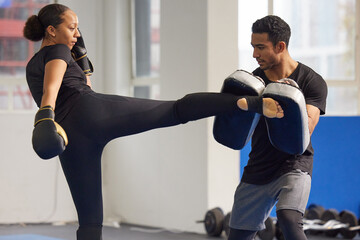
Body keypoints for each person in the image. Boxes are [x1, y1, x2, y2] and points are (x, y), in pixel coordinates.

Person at [23, 4, 284, 240]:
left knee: (90, 220)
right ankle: (251, 103)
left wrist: (81, 68)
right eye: (72, 28)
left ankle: (247, 104)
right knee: (176, 110)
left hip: (70, 138)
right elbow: (53, 87)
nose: (77, 34)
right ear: (51, 31)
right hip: (90, 113)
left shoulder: (32, 64)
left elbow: (71, 87)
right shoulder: (58, 50)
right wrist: (45, 112)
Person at [228, 15, 328, 240]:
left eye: (261, 47)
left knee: (289, 219)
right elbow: (240, 124)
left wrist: (288, 98)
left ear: (280, 46)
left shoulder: (311, 81)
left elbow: (307, 128)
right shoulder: (253, 82)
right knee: (238, 237)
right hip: (259, 166)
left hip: (294, 163)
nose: (255, 54)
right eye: (253, 47)